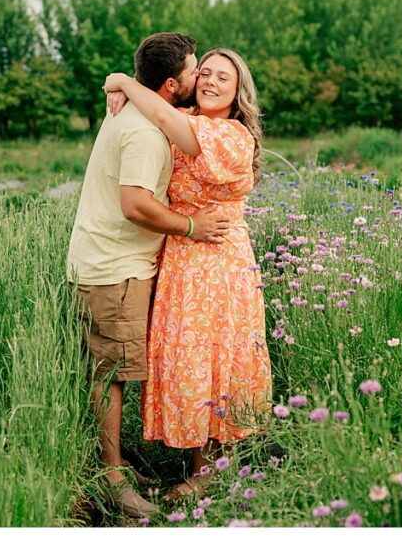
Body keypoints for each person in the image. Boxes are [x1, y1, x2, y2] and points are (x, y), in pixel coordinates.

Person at [66, 32, 230, 519]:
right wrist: (193, 227)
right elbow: (135, 203)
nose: (199, 75)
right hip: (113, 268)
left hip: (114, 262)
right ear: (170, 85)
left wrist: (117, 79)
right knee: (112, 373)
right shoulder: (141, 131)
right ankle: (113, 480)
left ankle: (116, 464)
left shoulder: (138, 110)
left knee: (116, 367)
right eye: (193, 69)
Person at [102, 47, 272, 503]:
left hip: (218, 262)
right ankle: (194, 462)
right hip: (181, 257)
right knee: (187, 361)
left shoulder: (232, 135)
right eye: (206, 73)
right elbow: (156, 111)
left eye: (224, 78)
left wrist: (122, 80)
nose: (212, 82)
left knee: (216, 358)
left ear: (239, 94)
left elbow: (160, 111)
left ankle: (208, 471)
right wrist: (120, 91)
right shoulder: (183, 115)